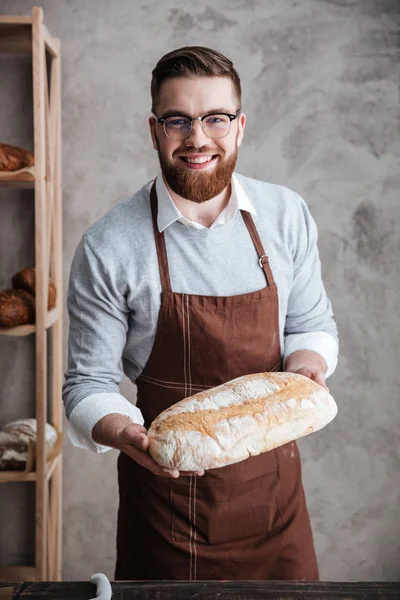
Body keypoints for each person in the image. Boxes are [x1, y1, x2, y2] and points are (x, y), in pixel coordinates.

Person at [63, 46, 339, 581]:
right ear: (154, 129)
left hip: (277, 507)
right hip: (167, 513)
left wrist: (307, 370)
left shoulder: (285, 215)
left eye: (215, 118)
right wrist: (125, 434)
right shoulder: (110, 244)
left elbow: (311, 324)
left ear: (239, 126)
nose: (197, 138)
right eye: (178, 121)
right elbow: (86, 384)